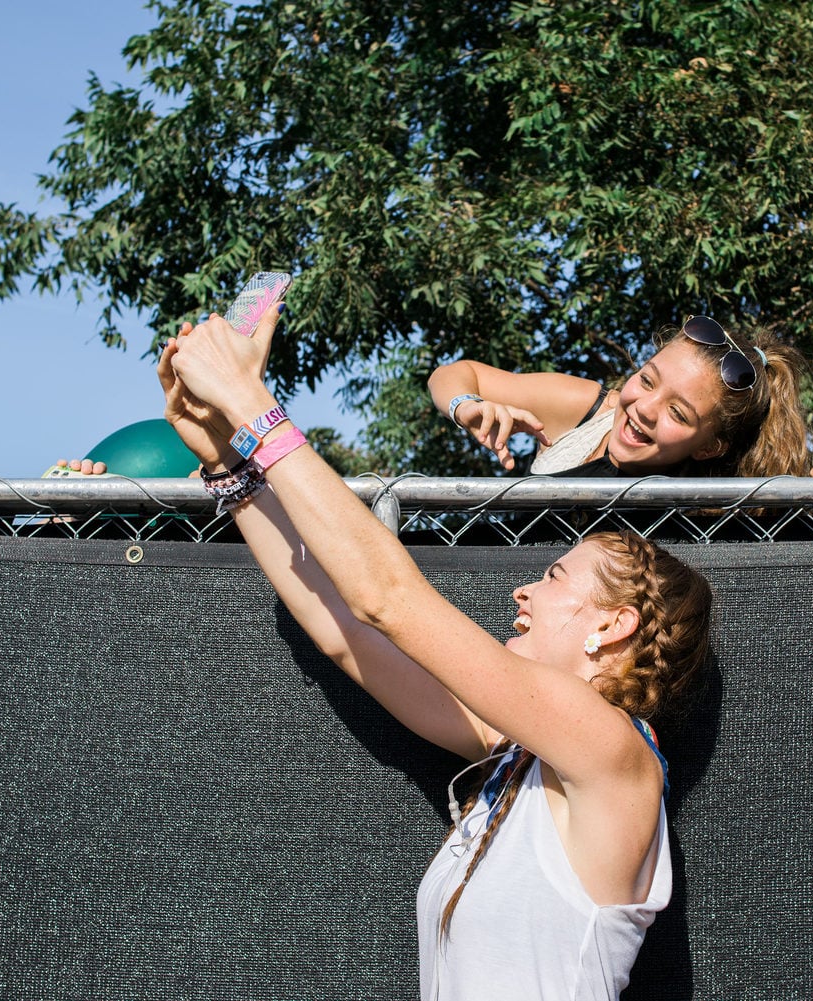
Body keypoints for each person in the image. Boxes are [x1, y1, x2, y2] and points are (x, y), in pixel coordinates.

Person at [161, 308, 715, 999]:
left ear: (613, 624)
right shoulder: (520, 752)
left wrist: (252, 404)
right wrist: (227, 459)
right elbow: (347, 629)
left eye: (552, 576)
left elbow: (387, 598)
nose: (522, 590)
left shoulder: (610, 751)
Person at [428, 316, 813, 478]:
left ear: (710, 445)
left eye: (677, 412)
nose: (643, 409)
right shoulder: (592, 410)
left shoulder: (715, 504)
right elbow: (455, 373)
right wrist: (465, 406)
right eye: (647, 380)